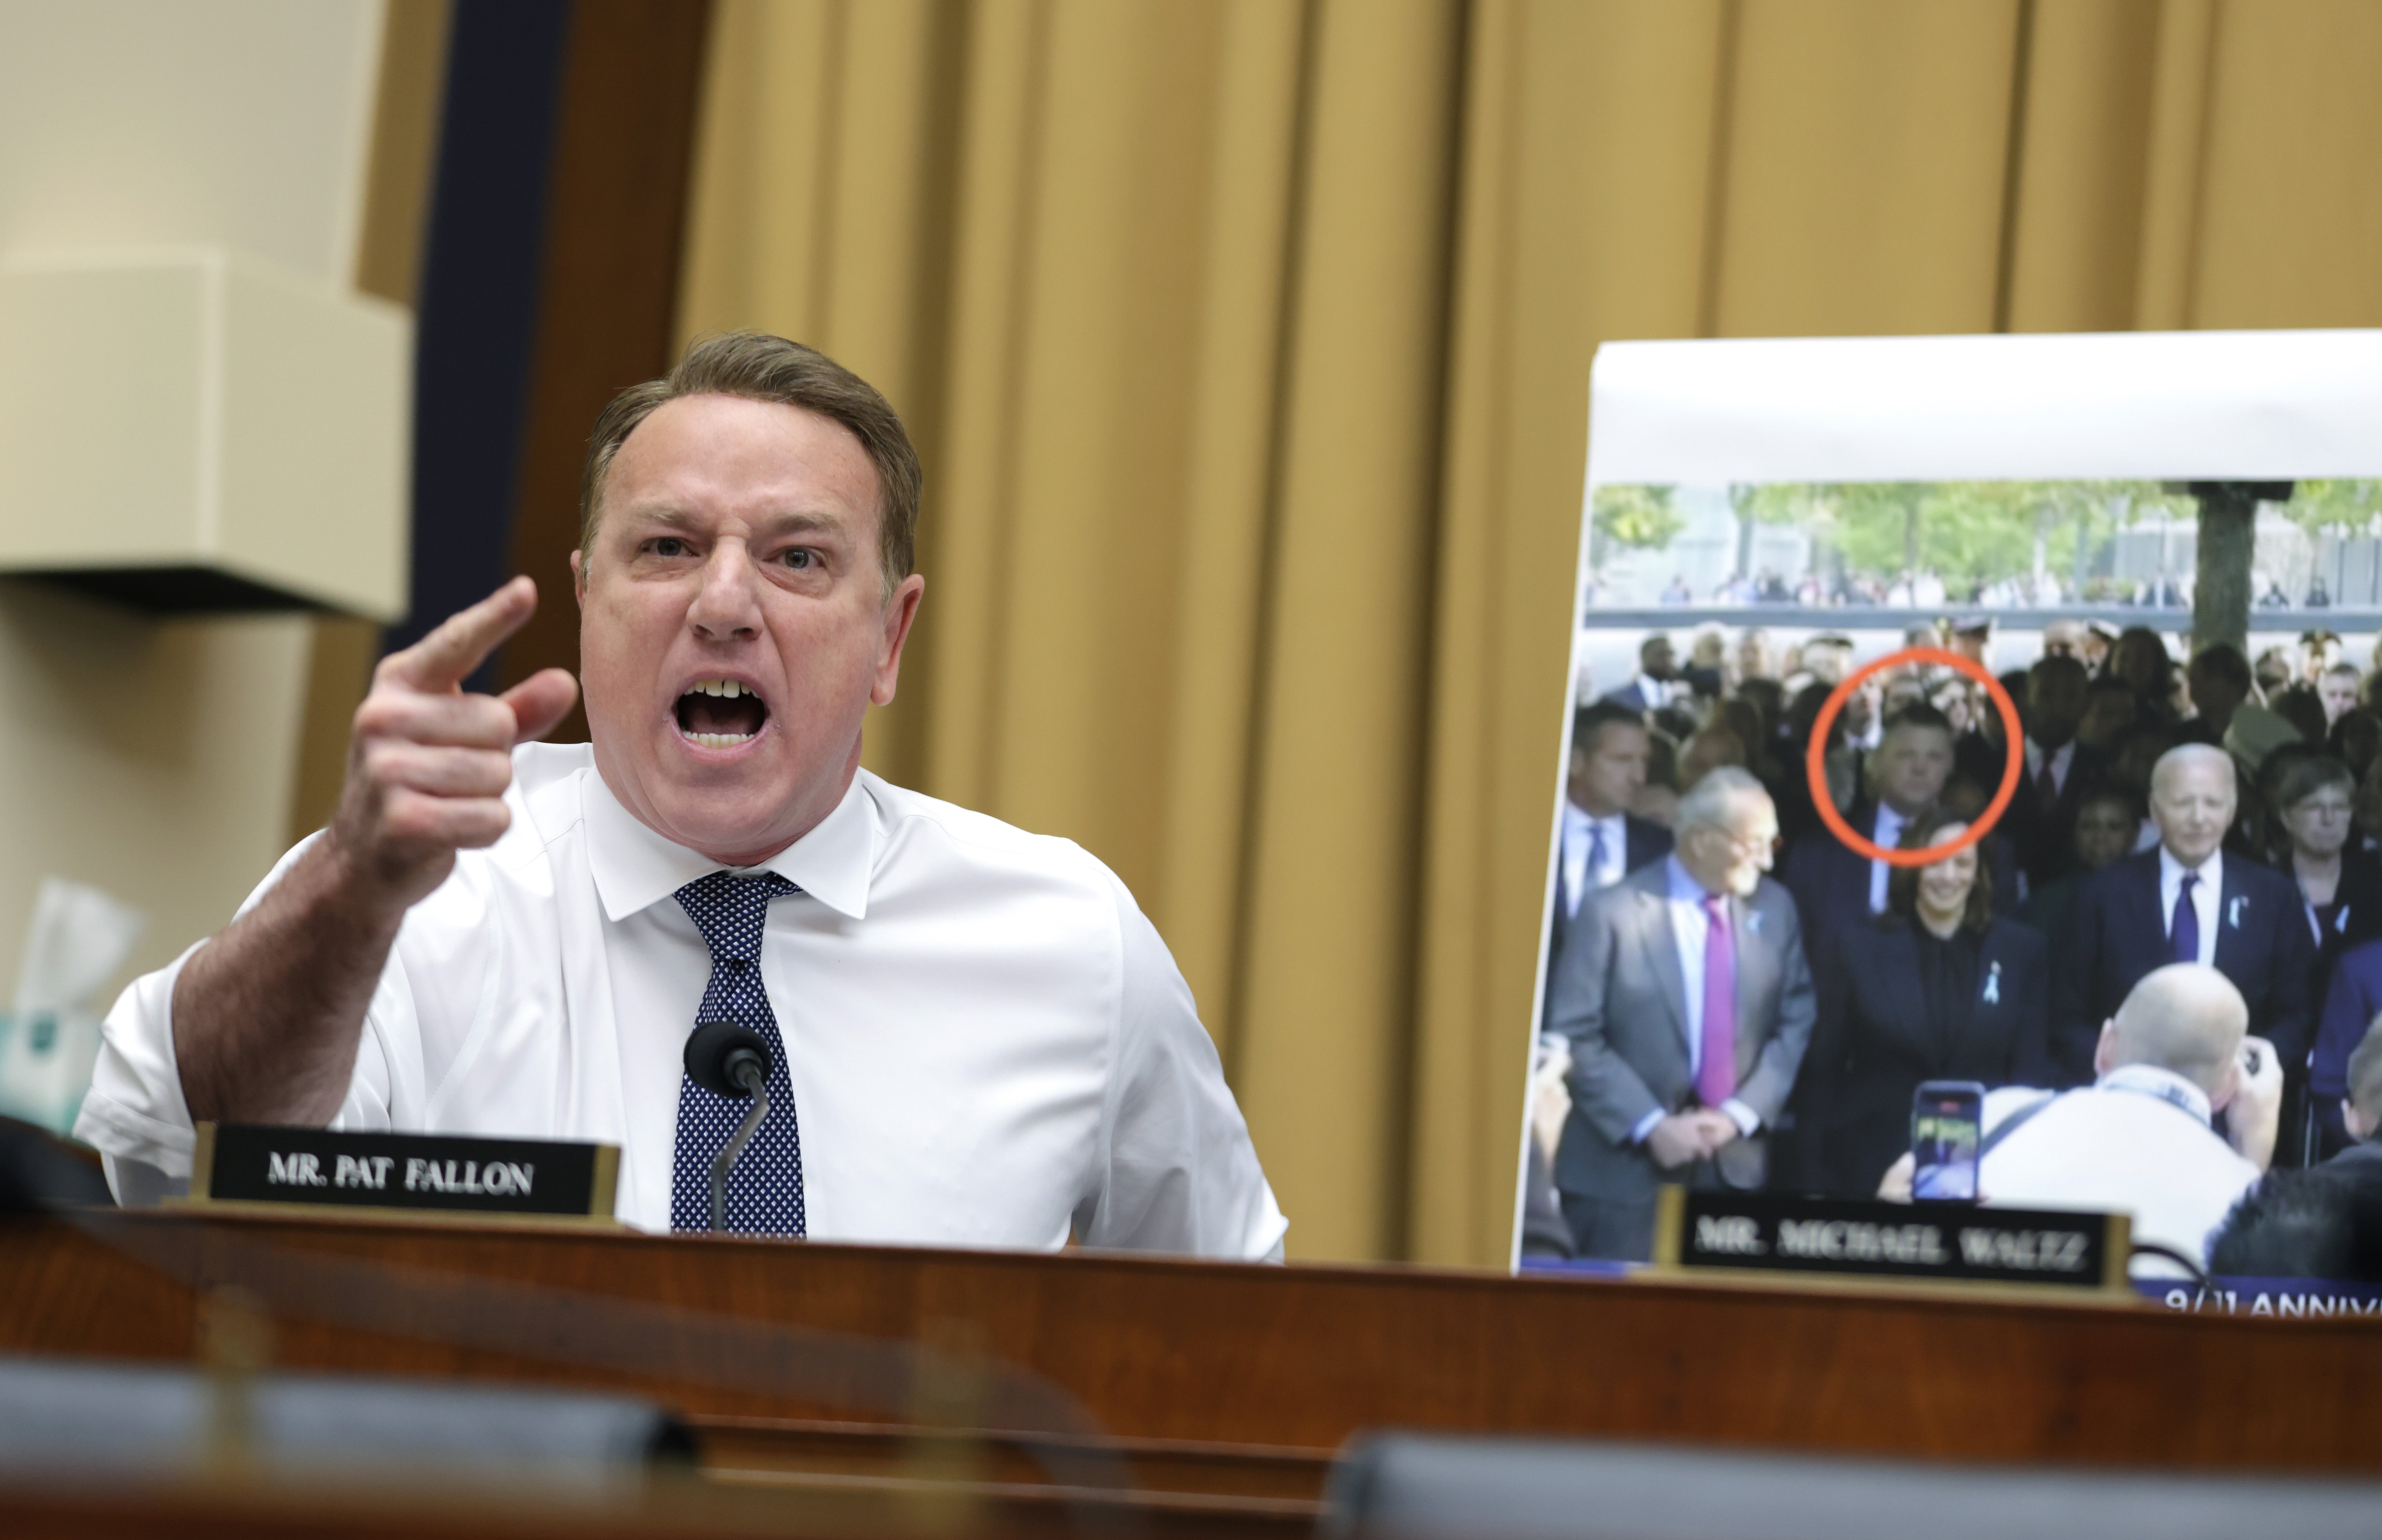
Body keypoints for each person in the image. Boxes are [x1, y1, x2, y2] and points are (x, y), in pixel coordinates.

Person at [74, 332, 1287, 1257]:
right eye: (665, 547)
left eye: (796, 556)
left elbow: (1237, 1339)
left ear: (888, 638)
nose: (722, 601)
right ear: (587, 598)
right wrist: (351, 881)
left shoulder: (1068, 939)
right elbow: (162, 1150)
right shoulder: (411, 895)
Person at [1546, 768, 1816, 1262]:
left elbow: (1796, 1017)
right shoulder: (1612, 911)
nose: (1765, 857)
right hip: (1620, 1178)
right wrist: (1650, 1124)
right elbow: (1575, 1032)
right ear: (1699, 840)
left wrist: (1739, 1115)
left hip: (1732, 1175)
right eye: (1752, 842)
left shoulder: (1776, 909)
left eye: (1770, 841)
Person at [1886, 965, 2282, 1278]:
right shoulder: (2242, 1192)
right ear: (2229, 1086)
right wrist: (2252, 1152)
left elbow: (1906, 1251)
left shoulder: (1995, 1116)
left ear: (2105, 1047)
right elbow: (2247, 1299)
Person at [1795, 810, 2050, 1198]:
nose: (1948, 875)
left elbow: (2028, 1074)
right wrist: (1811, 1185)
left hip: (1986, 1168)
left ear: (1979, 871)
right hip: (1872, 1166)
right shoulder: (1856, 947)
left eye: (1961, 862)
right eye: (1934, 861)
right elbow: (1822, 1069)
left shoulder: (2021, 950)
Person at [2048, 745, 2314, 1092]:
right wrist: (2120, 1069)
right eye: (2182, 803)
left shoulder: (2273, 898)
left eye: (2212, 803)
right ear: (2155, 811)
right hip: (2122, 1099)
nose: (2198, 818)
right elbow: (2064, 1013)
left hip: (2233, 1102)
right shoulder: (2102, 895)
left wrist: (2238, 1072)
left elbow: (2297, 1013)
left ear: (2232, 811)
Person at [1781, 703, 2015, 961]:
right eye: (1906, 755)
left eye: (1934, 757)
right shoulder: (1818, 854)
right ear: (1875, 761)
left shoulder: (1989, 854)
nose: (1920, 768)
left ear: (1951, 765)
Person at [1549, 705, 1674, 1009]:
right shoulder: (1529, 841)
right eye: (1622, 760)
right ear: (1576, 762)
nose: (1640, 776)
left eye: (1644, 761)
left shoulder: (1661, 849)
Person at [2008, 656, 2100, 887]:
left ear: (2086, 703)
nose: (2058, 708)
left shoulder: (2103, 768)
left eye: (2070, 697)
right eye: (2046, 695)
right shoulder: (1991, 765)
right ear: (2024, 699)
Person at [2014, 786, 2141, 935]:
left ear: (2134, 834)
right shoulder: (2046, 903)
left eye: (2114, 827)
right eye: (2088, 826)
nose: (2100, 838)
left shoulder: (2152, 897)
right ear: (2074, 833)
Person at [2180, 642, 2254, 748]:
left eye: (2207, 678)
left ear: (2234, 685)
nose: (2196, 688)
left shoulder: (2255, 736)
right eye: (2193, 680)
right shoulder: (2182, 737)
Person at [1601, 634, 1680, 713]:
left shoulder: (1679, 697)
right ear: (1645, 658)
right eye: (1662, 655)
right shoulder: (1617, 700)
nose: (1669, 661)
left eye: (1671, 655)